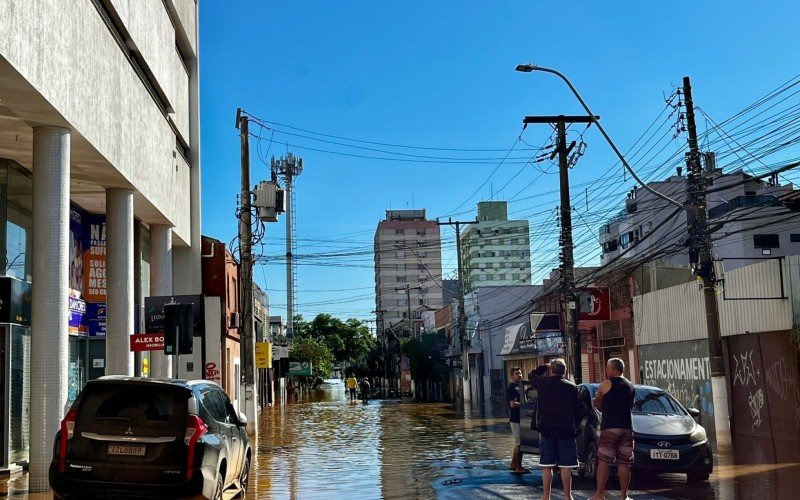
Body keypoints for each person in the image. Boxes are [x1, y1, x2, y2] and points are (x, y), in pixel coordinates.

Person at [528, 359, 585, 500]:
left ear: (551, 370)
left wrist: (544, 366)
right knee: (566, 466)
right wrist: (575, 426)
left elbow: (531, 375)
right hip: (566, 431)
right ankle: (568, 496)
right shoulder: (572, 387)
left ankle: (545, 496)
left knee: (546, 466)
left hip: (546, 430)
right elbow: (581, 411)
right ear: (564, 371)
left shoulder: (543, 384)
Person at [591, 358, 636, 500]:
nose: (606, 370)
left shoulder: (606, 383)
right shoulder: (630, 385)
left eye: (608, 368)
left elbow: (597, 402)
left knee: (603, 461)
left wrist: (600, 404)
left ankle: (599, 494)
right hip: (627, 427)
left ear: (615, 370)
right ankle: (624, 495)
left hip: (610, 427)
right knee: (624, 463)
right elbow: (631, 405)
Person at [506, 367, 530, 474]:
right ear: (512, 376)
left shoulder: (520, 386)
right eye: (516, 374)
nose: (519, 375)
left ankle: (513, 464)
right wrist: (524, 405)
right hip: (515, 419)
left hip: (521, 418)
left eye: (520, 373)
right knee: (520, 444)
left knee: (518, 443)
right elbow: (512, 404)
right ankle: (518, 467)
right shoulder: (511, 388)